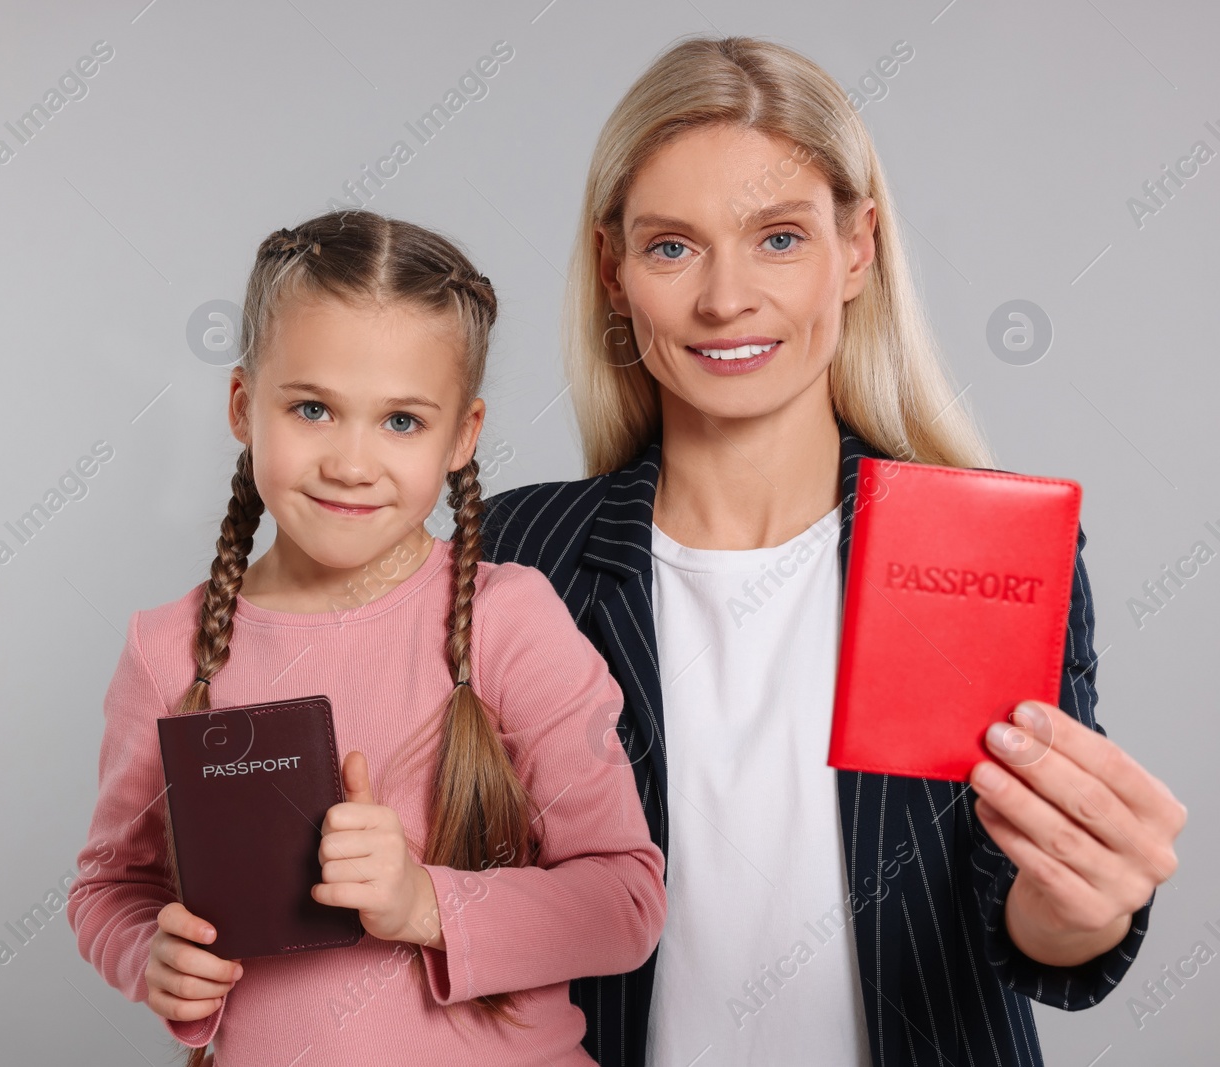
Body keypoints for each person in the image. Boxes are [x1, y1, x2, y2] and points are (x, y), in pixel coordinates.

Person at [479, 34, 1186, 1067]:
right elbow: (453, 876)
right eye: (672, 246)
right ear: (612, 270)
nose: (727, 298)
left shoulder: (978, 548)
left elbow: (1023, 917)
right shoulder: (517, 551)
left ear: (857, 247)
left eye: (778, 239)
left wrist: (1082, 903)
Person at [65, 210, 668, 1067]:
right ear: (243, 405)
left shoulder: (512, 621)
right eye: (313, 408)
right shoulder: (169, 647)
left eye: (401, 422)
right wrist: (150, 956)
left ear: (463, 436)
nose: (352, 462)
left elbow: (627, 901)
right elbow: (109, 884)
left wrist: (423, 901)